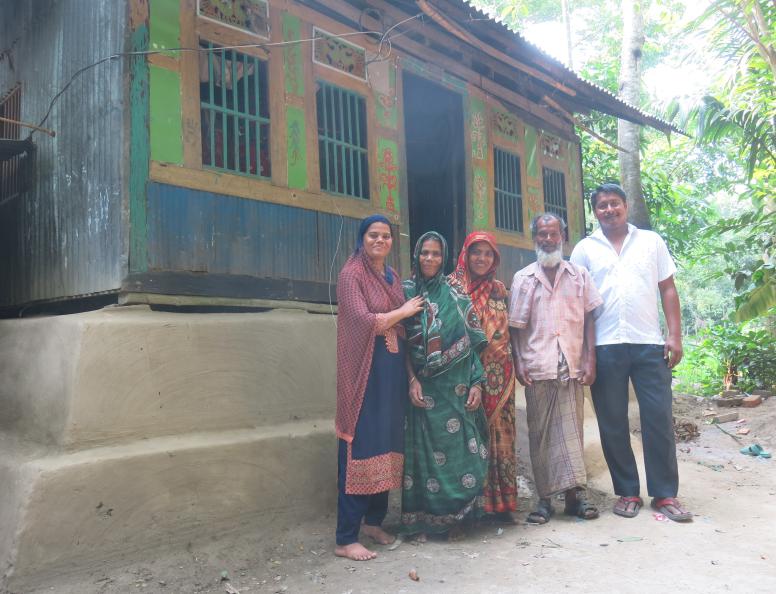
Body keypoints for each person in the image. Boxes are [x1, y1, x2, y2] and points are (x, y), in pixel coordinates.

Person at [570, 183, 692, 522]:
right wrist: (583, 352)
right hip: (604, 345)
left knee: (658, 418)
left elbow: (667, 288)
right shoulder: (584, 249)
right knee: (612, 422)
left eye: (614, 203)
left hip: (649, 343)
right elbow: (577, 303)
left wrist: (675, 336)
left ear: (625, 206)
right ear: (594, 211)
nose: (609, 210)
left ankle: (665, 494)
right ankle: (627, 491)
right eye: (602, 206)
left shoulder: (651, 242)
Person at [335, 215, 425, 561]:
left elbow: (402, 328)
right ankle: (345, 537)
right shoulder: (351, 274)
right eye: (373, 235)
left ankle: (373, 521)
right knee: (361, 443)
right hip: (364, 376)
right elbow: (362, 321)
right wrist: (401, 311)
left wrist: (411, 375)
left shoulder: (391, 276)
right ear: (362, 239)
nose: (380, 241)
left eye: (386, 236)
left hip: (391, 375)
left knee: (387, 444)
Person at [509, 213, 602, 523]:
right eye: (541, 235)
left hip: (571, 364)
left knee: (572, 432)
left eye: (553, 234)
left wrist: (590, 358)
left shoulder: (579, 276)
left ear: (563, 237)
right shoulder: (523, 278)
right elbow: (516, 327)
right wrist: (519, 361)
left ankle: (575, 497)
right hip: (538, 365)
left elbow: (590, 319)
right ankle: (544, 499)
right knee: (541, 434)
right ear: (533, 238)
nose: (547, 240)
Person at [400, 231, 490, 541]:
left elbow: (472, 344)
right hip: (424, 389)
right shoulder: (406, 291)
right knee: (426, 457)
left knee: (466, 453)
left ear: (445, 257)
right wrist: (411, 380)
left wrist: (477, 383)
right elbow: (401, 347)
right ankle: (429, 522)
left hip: (456, 388)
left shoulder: (455, 291)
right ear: (416, 255)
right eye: (424, 253)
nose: (429, 259)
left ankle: (459, 519)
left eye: (436, 254)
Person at [449, 231, 518, 522]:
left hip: (500, 380)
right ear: (466, 254)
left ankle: (501, 507)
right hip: (463, 376)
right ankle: (466, 510)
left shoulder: (500, 290)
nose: (481, 258)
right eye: (476, 252)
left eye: (488, 254)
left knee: (500, 440)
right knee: (466, 439)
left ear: (495, 259)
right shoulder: (452, 288)